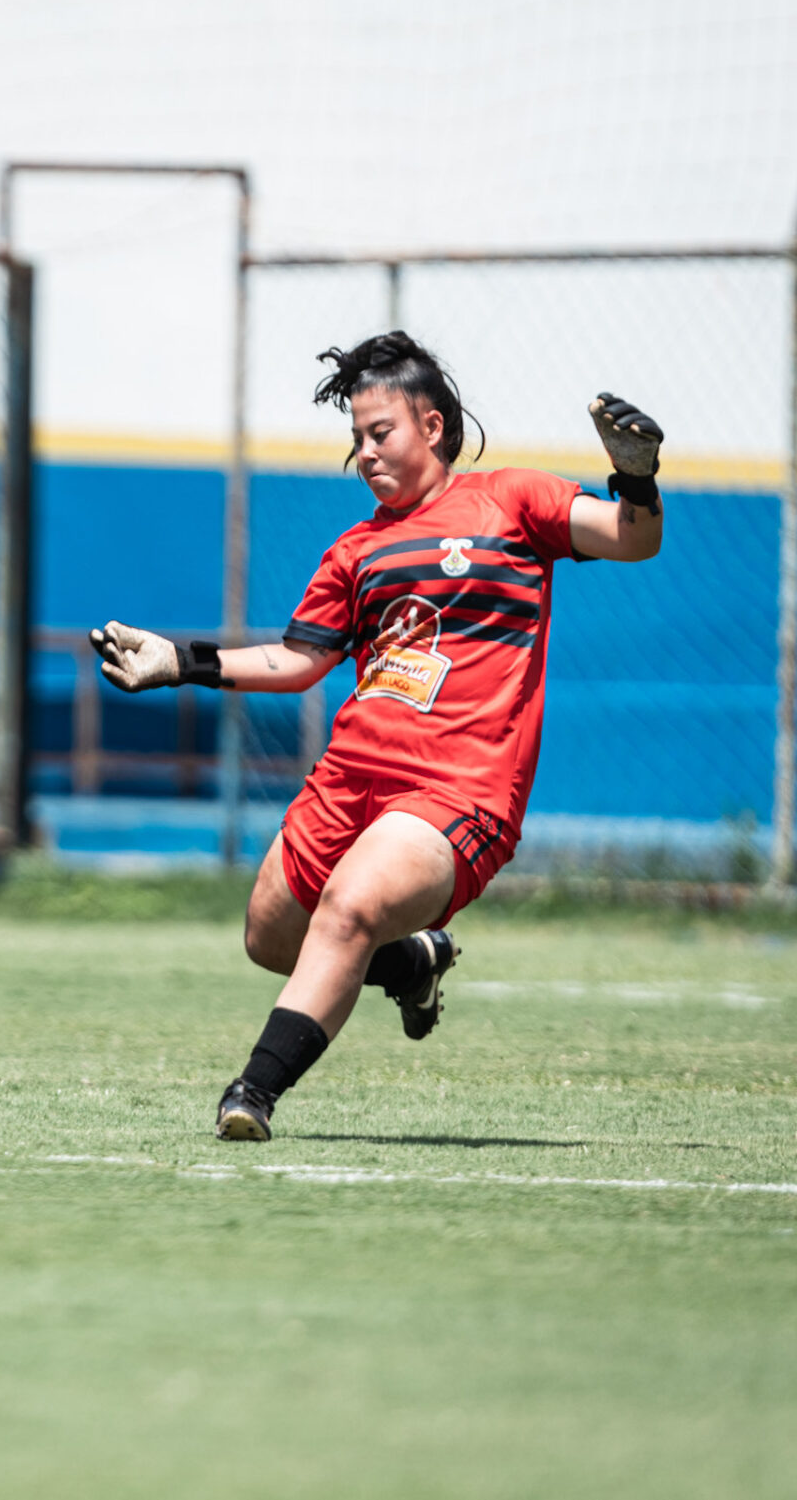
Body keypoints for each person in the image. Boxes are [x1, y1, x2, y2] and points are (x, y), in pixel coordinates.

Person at [90, 331, 664, 1141]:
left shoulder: (513, 501)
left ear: (432, 427)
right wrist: (179, 661)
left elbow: (635, 537)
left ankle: (250, 1092)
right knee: (270, 934)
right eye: (355, 438)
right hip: (349, 780)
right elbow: (297, 660)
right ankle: (412, 961)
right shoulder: (356, 550)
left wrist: (635, 475)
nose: (363, 453)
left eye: (379, 432)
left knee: (352, 905)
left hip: (457, 793)